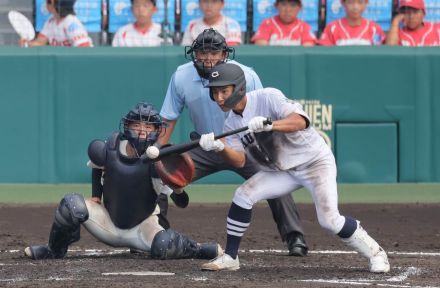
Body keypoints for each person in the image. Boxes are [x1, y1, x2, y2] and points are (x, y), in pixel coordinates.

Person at [199, 62, 391, 273]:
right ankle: (231, 256)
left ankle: (376, 253)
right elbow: (239, 161)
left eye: (223, 91)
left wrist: (271, 124)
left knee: (329, 220)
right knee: (243, 194)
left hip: (314, 163)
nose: (219, 98)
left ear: (239, 88)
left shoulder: (268, 97)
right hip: (282, 171)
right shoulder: (230, 124)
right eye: (215, 92)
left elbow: (301, 121)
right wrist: (219, 147)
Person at [159, 28, 308, 257]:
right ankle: (156, 232)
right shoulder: (181, 76)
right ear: (194, 53)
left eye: (214, 52)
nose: (208, 58)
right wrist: (158, 153)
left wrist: (268, 152)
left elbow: (262, 112)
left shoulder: (247, 76)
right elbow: (169, 119)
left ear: (224, 54)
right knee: (159, 174)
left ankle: (294, 236)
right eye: (202, 52)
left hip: (245, 144)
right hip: (206, 144)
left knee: (275, 178)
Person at [24, 102, 221, 261]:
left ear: (156, 130)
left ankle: (198, 249)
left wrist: (178, 188)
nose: (142, 131)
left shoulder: (159, 161)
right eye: (137, 125)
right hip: (107, 222)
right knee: (71, 204)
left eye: (148, 126)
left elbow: (182, 203)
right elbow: (97, 167)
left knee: (164, 244)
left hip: (141, 228)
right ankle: (53, 250)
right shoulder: (111, 146)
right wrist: (96, 196)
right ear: (127, 127)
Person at [19, 0, 92, 47]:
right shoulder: (50, 21)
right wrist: (28, 44)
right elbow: (40, 42)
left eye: (49, 1)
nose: (46, 3)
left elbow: (85, 47)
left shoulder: (71, 22)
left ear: (58, 4)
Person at [319, 0, 385, 46]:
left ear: (366, 3)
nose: (355, 7)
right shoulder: (332, 28)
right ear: (343, 3)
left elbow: (378, 54)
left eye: (360, 2)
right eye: (350, 2)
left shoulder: (374, 28)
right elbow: (324, 54)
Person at [251, 0, 317, 46]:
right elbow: (261, 47)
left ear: (299, 8)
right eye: (283, 4)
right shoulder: (267, 24)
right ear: (276, 6)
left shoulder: (304, 26)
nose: (288, 10)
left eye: (293, 5)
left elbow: (307, 49)